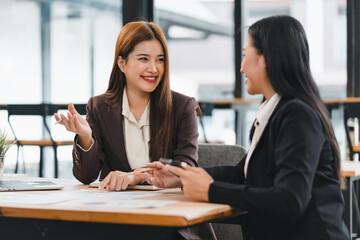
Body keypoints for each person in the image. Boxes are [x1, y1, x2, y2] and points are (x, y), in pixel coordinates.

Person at [136, 16, 349, 240]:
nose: (241, 67)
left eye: (245, 55)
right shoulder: (274, 111)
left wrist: (210, 190)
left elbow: (290, 200)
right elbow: (243, 174)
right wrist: (182, 176)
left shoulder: (297, 115)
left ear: (267, 59)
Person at [54, 21, 215, 240]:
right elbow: (87, 177)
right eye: (143, 59)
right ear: (122, 63)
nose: (154, 68)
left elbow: (185, 168)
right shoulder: (100, 107)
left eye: (160, 60)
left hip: (172, 225)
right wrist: (86, 136)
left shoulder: (182, 106)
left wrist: (135, 177)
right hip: (119, 220)